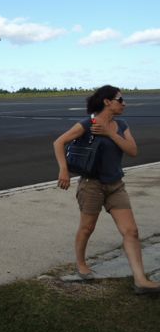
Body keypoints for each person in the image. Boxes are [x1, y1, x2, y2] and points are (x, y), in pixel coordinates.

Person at [53, 85, 160, 294]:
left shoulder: (121, 124)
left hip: (116, 185)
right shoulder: (88, 123)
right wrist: (63, 170)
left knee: (131, 231)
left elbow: (133, 151)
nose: (124, 103)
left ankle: (140, 280)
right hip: (91, 185)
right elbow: (59, 142)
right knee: (87, 228)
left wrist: (111, 134)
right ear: (107, 102)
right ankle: (81, 263)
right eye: (121, 99)